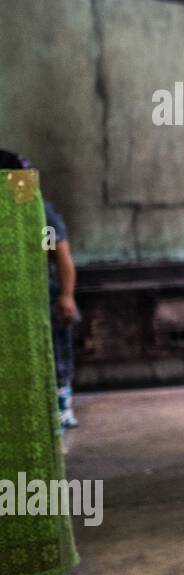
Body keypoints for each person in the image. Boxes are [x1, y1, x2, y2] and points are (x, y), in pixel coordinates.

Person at [0, 150, 80, 429]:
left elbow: (62, 256)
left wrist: (66, 296)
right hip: (9, 300)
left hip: (42, 295)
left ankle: (61, 405)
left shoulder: (39, 211)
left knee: (55, 353)